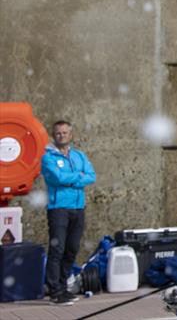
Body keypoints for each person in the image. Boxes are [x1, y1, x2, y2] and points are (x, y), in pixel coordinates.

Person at [41, 120, 96, 305]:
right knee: (57, 249)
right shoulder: (48, 157)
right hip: (58, 209)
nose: (61, 136)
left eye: (65, 133)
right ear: (53, 135)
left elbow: (91, 176)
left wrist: (71, 180)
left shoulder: (79, 156)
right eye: (58, 133)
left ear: (70, 135)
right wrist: (78, 178)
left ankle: (63, 287)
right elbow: (56, 178)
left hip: (77, 208)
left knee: (71, 249)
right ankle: (55, 291)